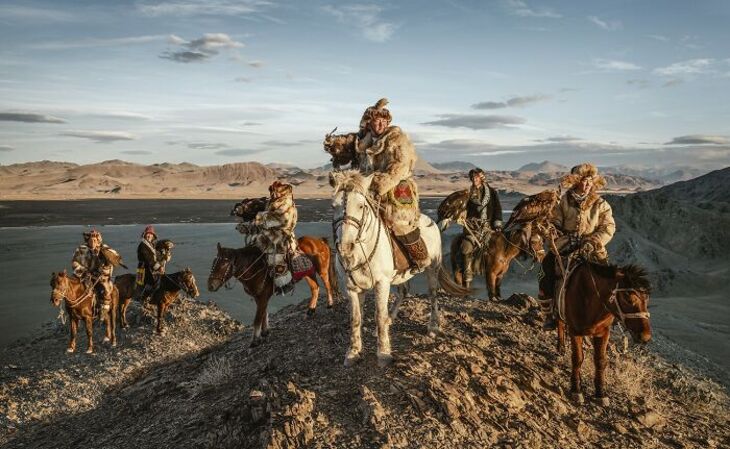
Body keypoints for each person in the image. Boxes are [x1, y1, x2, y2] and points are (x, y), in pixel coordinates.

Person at [352, 98, 429, 273]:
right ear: (370, 123)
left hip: (395, 187)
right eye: (376, 121)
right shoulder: (365, 142)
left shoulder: (397, 140)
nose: (379, 124)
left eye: (383, 121)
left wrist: (379, 184)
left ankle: (419, 258)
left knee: (400, 222)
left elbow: (399, 168)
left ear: (387, 123)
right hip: (368, 187)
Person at [539, 163, 616, 330]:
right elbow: (555, 220)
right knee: (545, 271)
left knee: (608, 277)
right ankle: (549, 314)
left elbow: (608, 227)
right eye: (583, 180)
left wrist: (594, 241)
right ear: (575, 181)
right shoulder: (563, 202)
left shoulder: (600, 204)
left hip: (592, 246)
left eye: (590, 181)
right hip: (566, 244)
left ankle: (610, 313)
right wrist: (553, 229)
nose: (587, 184)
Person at [459, 168, 503, 288]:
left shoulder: (492, 193)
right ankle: (467, 281)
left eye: (476, 177)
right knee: (466, 248)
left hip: (488, 228)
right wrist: (462, 215)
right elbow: (463, 209)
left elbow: (497, 209)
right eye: (472, 177)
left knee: (499, 249)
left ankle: (496, 280)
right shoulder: (468, 194)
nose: (474, 179)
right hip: (472, 228)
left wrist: (497, 225)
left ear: (482, 178)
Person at [253, 180, 298, 294]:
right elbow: (268, 215)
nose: (273, 194)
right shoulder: (274, 202)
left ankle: (284, 284)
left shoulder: (286, 204)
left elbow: (283, 219)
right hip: (271, 231)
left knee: (276, 257)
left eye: (276, 191)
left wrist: (262, 219)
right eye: (273, 191)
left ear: (282, 192)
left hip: (282, 234)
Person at [71, 228, 116, 311]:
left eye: (95, 240)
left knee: (104, 289)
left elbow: (112, 260)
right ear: (87, 241)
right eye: (91, 241)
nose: (93, 242)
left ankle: (103, 310)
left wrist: (106, 270)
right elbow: (74, 263)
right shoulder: (81, 250)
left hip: (99, 276)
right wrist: (83, 270)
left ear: (97, 241)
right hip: (84, 275)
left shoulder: (104, 250)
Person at [134, 225, 162, 302]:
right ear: (145, 234)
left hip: (149, 267)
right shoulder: (142, 245)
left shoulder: (150, 245)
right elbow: (148, 258)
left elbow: (155, 256)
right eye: (148, 234)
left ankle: (149, 297)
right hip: (144, 268)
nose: (149, 235)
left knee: (159, 280)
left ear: (153, 236)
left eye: (151, 234)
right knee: (155, 282)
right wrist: (158, 267)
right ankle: (143, 298)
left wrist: (163, 255)